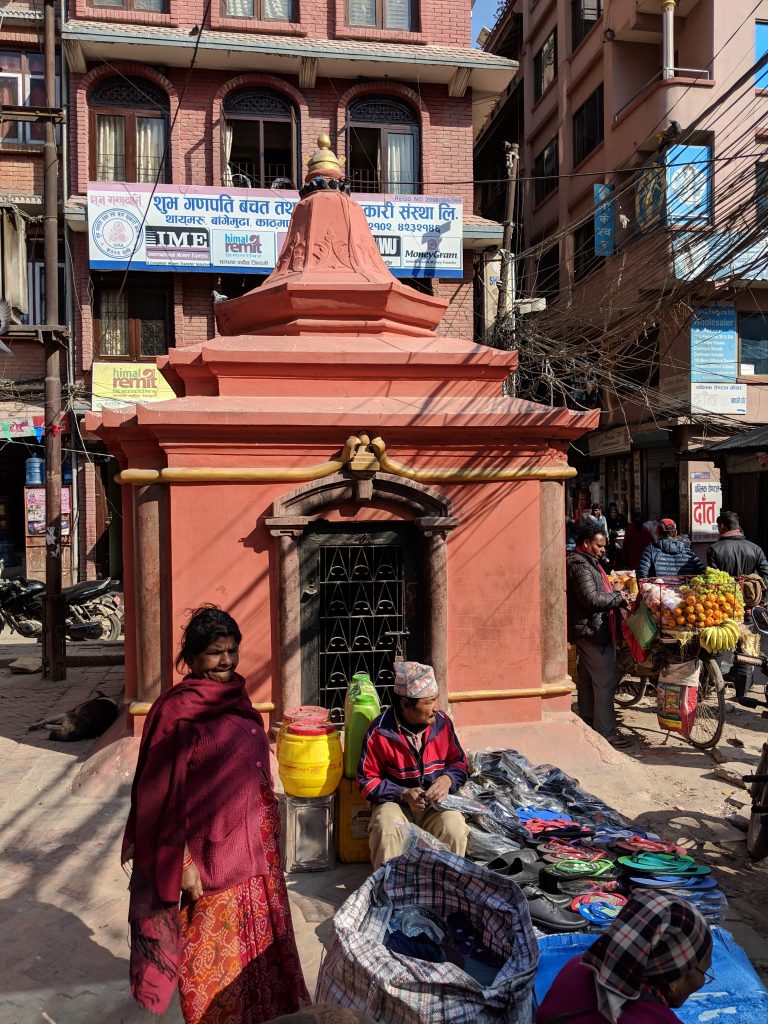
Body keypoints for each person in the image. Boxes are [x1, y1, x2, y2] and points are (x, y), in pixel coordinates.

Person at [122, 605, 310, 1023]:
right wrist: (182, 861)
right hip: (209, 860)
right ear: (191, 658)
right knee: (212, 960)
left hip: (256, 853)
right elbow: (157, 796)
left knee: (258, 953)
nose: (226, 661)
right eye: (214, 653)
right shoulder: (177, 711)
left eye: (231, 650)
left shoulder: (238, 695)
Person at [357, 661, 469, 869]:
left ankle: (447, 888)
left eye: (436, 700)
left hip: (435, 806)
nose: (436, 707)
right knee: (385, 826)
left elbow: (460, 762)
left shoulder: (443, 724)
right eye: (429, 702)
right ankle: (388, 892)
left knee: (454, 827)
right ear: (405, 704)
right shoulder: (379, 732)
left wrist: (447, 779)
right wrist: (403, 793)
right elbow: (367, 782)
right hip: (397, 805)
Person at [536, 891, 713, 1023]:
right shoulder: (655, 1020)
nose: (702, 981)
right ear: (675, 976)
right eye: (704, 972)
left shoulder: (579, 965)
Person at [566, 525, 631, 749]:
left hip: (588, 629)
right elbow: (591, 599)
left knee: (587, 679)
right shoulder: (579, 565)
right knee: (605, 679)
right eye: (599, 545)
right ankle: (606, 731)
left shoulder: (587, 562)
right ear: (586, 543)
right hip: (591, 630)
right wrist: (618, 598)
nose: (603, 550)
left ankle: (588, 721)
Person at [707, 510, 768, 697]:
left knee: (716, 647)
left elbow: (712, 583)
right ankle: (742, 695)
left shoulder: (715, 549)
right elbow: (766, 576)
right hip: (748, 609)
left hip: (723, 608)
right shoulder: (755, 549)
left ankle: (711, 690)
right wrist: (760, 601)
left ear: (723, 527)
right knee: (745, 648)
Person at [636, 519, 705, 579]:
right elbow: (702, 573)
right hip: (686, 592)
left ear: (657, 532)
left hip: (660, 592)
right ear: (676, 532)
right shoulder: (688, 552)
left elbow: (642, 575)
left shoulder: (650, 550)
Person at [606, 503, 628, 567]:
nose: (614, 514)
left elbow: (626, 526)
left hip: (621, 540)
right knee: (612, 555)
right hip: (612, 541)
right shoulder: (607, 519)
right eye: (612, 512)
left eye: (615, 512)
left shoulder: (621, 518)